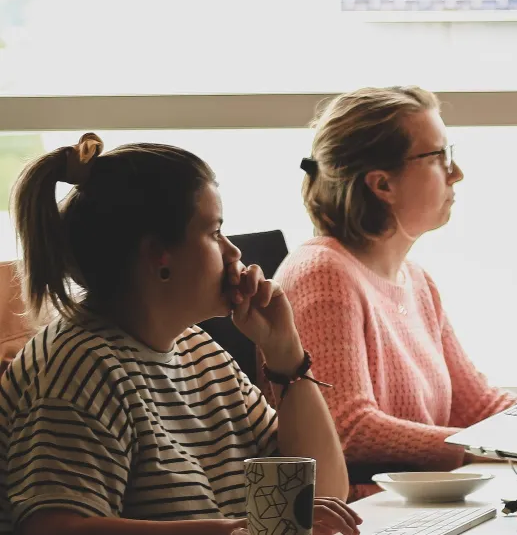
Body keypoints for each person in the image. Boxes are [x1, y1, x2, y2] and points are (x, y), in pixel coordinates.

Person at [0, 135, 360, 535]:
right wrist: (231, 531)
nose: (233, 252)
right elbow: (52, 527)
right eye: (214, 232)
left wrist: (285, 353)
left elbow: (322, 494)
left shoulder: (200, 352)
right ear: (160, 255)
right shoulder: (78, 368)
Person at [278, 86, 517, 498]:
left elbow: (477, 406)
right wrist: (477, 449)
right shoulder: (323, 274)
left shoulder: (416, 280)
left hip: (420, 505)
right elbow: (347, 428)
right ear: (382, 184)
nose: (456, 172)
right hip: (366, 515)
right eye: (439, 155)